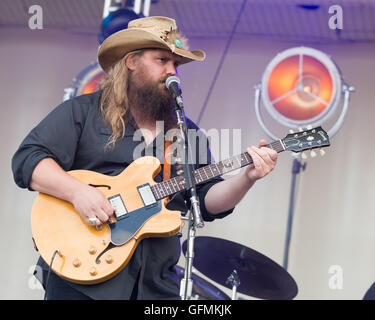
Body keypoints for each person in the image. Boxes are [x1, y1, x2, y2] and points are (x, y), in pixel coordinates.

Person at [11, 16, 278, 300]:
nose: (171, 71)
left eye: (176, 64)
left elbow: (206, 200)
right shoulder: (84, 112)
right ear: (131, 62)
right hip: (82, 278)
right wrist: (78, 193)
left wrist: (247, 177)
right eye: (162, 60)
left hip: (155, 285)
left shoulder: (188, 135)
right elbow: (29, 159)